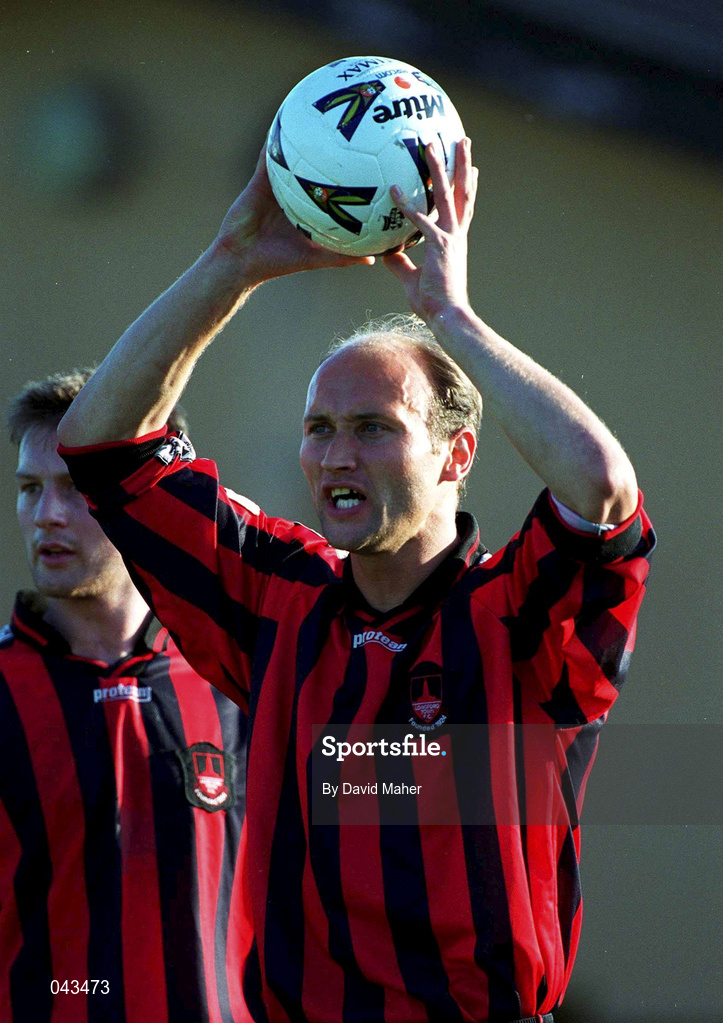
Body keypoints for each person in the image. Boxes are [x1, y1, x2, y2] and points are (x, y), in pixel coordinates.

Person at [57, 138, 655, 1022]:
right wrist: (228, 265)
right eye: (319, 428)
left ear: (455, 453)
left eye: (373, 427)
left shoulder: (515, 613)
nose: (336, 454)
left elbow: (600, 487)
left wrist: (449, 316)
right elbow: (103, 446)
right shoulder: (277, 597)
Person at [0, 370, 252, 1023]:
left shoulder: (241, 678)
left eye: (74, 487)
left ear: (144, 495)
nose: (46, 515)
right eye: (30, 489)